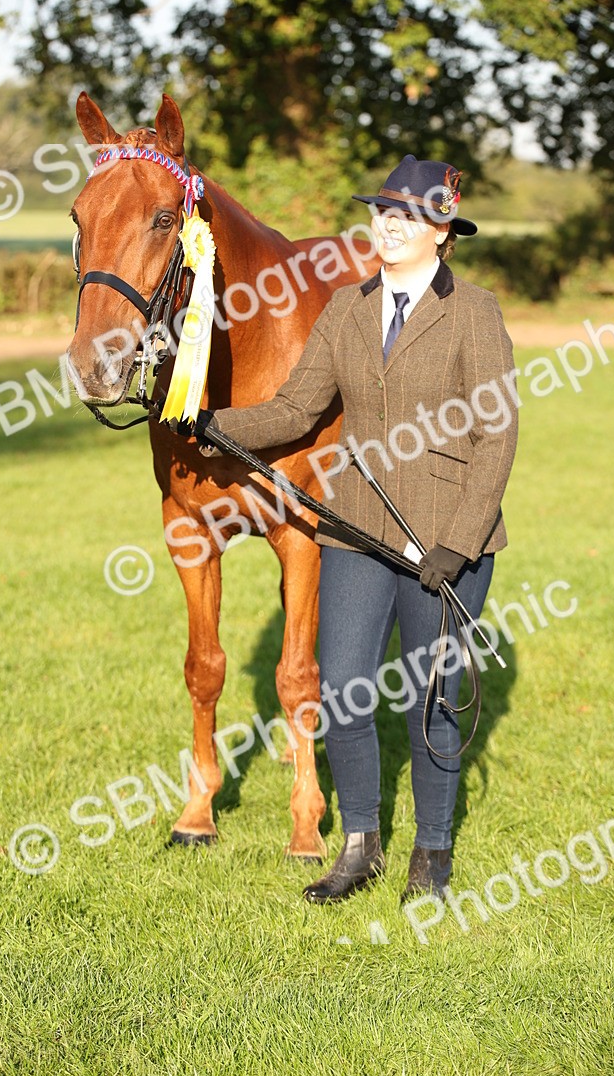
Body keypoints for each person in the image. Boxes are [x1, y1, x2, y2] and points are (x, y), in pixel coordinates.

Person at [174, 155, 518, 904]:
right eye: (383, 213)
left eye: (410, 216)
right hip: (357, 528)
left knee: (430, 699)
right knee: (345, 694)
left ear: (443, 234)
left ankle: (432, 854)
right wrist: (211, 424)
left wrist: (459, 543)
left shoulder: (476, 313)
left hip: (444, 542)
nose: (391, 225)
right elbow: (296, 411)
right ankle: (358, 844)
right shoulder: (348, 309)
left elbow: (497, 435)